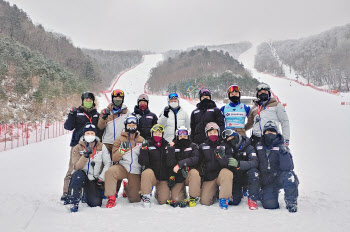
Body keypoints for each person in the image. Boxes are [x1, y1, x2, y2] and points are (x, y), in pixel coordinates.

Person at [62, 92, 99, 201]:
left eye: (90, 100)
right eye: (86, 100)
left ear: (93, 101)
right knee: (73, 167)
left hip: (91, 145)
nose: (88, 102)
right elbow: (68, 126)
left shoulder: (96, 114)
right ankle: (66, 192)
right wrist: (71, 115)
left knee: (89, 169)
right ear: (82, 101)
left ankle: (85, 192)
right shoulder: (77, 113)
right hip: (77, 144)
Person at [255, 121, 299, 212]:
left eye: (272, 132)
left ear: (277, 133)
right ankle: (264, 194)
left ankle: (291, 202)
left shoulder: (281, 146)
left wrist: (284, 154)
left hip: (278, 177)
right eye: (267, 132)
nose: (270, 134)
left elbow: (288, 167)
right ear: (264, 133)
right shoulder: (259, 146)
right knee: (270, 205)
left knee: (289, 176)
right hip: (266, 180)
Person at [69, 123, 111, 212]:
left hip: (94, 177)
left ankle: (86, 194)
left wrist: (101, 177)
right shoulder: (77, 147)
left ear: (95, 134)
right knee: (77, 177)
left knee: (95, 203)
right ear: (84, 134)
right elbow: (76, 166)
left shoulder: (101, 146)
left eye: (92, 133)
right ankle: (75, 201)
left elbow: (108, 163)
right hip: (82, 174)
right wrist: (85, 156)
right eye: (88, 133)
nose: (90, 136)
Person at [104, 116, 144, 208]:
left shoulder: (141, 140)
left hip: (135, 169)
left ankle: (126, 188)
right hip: (122, 167)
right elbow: (114, 158)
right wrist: (121, 150)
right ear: (126, 126)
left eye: (133, 125)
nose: (131, 127)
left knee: (135, 199)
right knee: (111, 171)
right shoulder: (119, 139)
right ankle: (111, 197)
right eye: (129, 125)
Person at [221, 128, 260, 210]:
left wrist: (239, 164)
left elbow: (255, 162)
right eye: (228, 140)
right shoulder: (229, 149)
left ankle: (252, 198)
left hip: (247, 174)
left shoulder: (248, 147)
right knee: (235, 202)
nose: (231, 140)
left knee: (254, 172)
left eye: (232, 138)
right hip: (236, 176)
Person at [199, 122, 233, 210]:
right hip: (210, 177)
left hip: (221, 175)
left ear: (218, 132)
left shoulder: (225, 145)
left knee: (227, 173)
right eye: (210, 133)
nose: (212, 134)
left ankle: (224, 198)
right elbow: (199, 162)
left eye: (214, 132)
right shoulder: (203, 146)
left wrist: (221, 157)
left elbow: (229, 162)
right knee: (205, 201)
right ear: (207, 134)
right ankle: (215, 192)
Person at [166, 126, 201, 207]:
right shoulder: (173, 146)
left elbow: (195, 158)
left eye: (185, 136)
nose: (182, 138)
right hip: (178, 176)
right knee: (176, 199)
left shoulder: (193, 146)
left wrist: (180, 164)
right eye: (180, 136)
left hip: (189, 173)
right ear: (177, 136)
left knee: (195, 173)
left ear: (188, 136)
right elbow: (169, 163)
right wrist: (171, 149)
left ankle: (193, 196)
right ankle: (183, 193)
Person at [139, 124, 170, 207]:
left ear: (162, 134)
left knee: (163, 201)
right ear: (152, 133)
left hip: (163, 177)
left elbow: (170, 162)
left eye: (159, 134)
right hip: (151, 176)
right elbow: (142, 162)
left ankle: (158, 192)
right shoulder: (147, 143)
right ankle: (146, 195)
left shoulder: (167, 145)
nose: (157, 135)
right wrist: (144, 150)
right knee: (147, 172)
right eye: (155, 133)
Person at [98, 89, 131, 155]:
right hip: (107, 143)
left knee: (118, 161)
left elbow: (129, 127)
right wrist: (104, 118)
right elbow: (100, 127)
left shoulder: (127, 112)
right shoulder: (106, 111)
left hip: (120, 142)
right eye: (116, 97)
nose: (118, 99)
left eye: (120, 98)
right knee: (106, 162)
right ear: (112, 99)